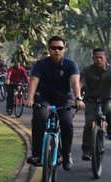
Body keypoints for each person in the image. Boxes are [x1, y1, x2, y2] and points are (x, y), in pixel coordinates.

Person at [25, 35, 85, 171]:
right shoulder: (41, 64)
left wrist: (78, 98)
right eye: (53, 48)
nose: (56, 51)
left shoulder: (71, 64)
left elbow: (75, 82)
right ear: (49, 49)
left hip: (65, 99)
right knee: (39, 119)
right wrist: (30, 98)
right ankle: (37, 154)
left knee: (66, 123)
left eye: (60, 48)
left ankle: (66, 154)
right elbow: (34, 81)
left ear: (64, 49)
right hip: (45, 98)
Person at [79, 48, 111, 161]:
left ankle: (110, 128)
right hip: (91, 100)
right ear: (93, 58)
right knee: (89, 123)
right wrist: (77, 96)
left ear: (105, 58)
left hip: (107, 99)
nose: (99, 60)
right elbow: (80, 83)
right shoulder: (87, 70)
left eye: (101, 57)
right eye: (96, 57)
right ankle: (87, 150)